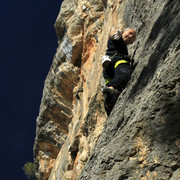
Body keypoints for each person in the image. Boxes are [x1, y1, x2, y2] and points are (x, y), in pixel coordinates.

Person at [102, 28, 136, 115]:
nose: (130, 36)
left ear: (132, 42)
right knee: (125, 74)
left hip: (108, 71)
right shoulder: (118, 38)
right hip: (118, 61)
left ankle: (109, 106)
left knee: (111, 96)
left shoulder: (120, 44)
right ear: (124, 32)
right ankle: (111, 89)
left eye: (132, 37)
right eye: (130, 33)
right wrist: (118, 32)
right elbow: (114, 35)